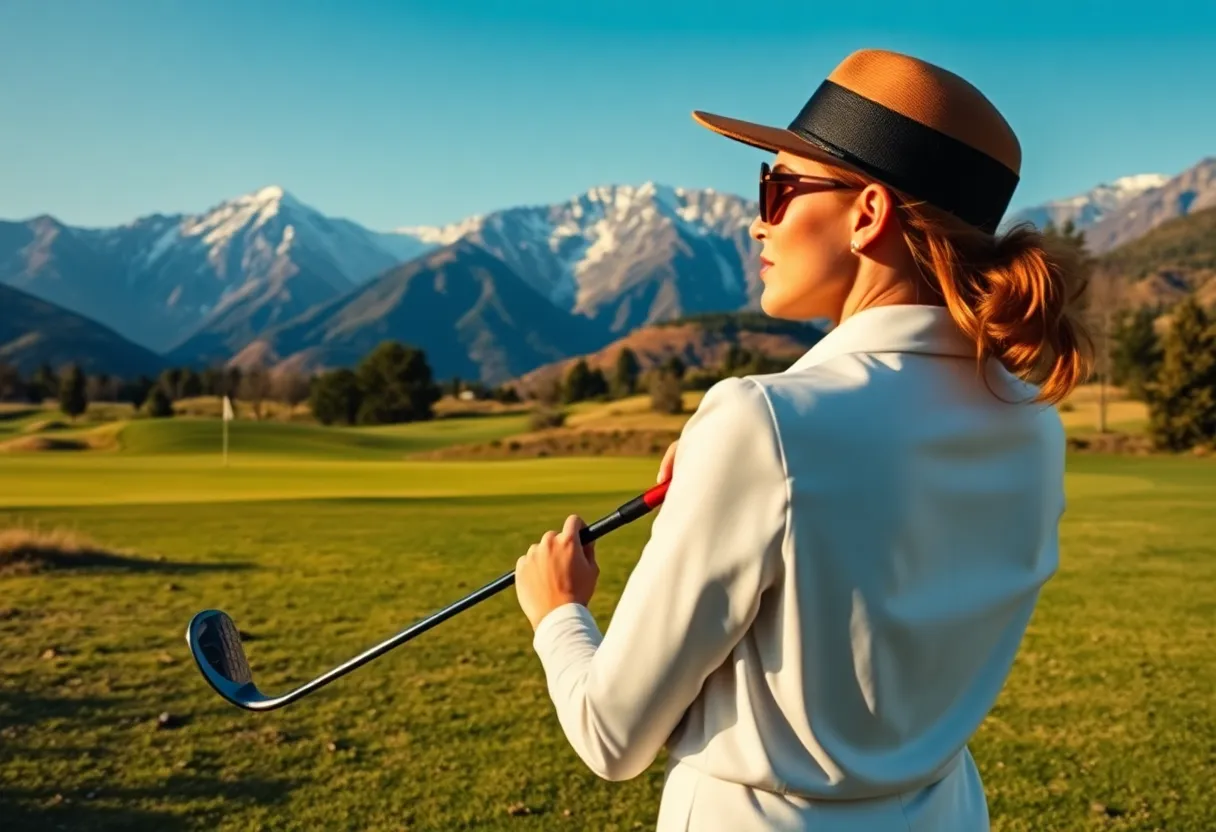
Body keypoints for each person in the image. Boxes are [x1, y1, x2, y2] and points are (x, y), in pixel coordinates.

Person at [514, 47, 1092, 831]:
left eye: (778, 186)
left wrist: (559, 613)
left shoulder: (760, 422)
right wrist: (733, 476)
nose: (759, 219)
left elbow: (611, 735)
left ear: (869, 213)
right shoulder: (1033, 422)